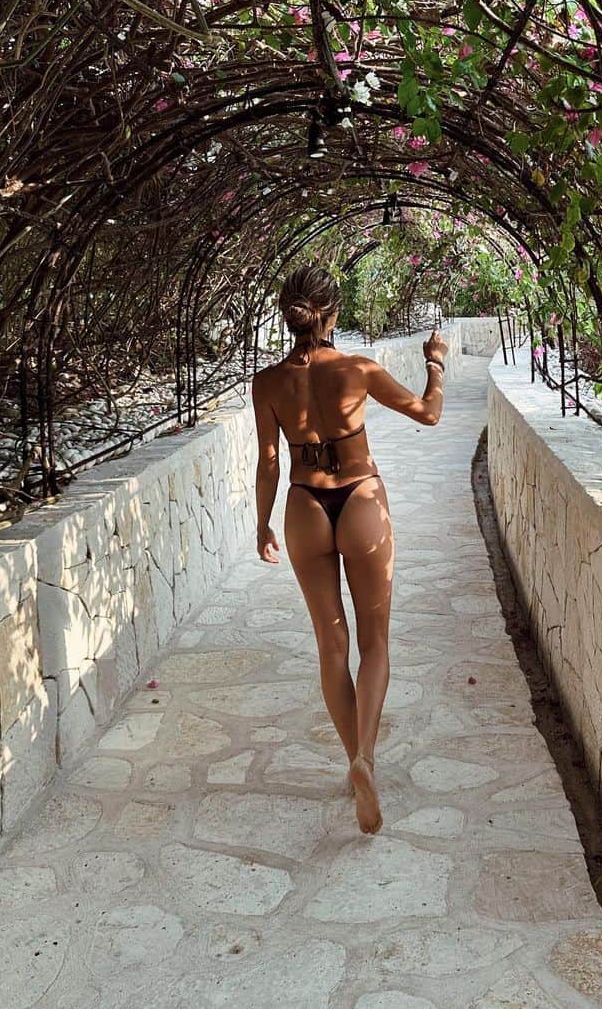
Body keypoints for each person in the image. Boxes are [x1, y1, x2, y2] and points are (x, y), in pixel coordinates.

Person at [250, 264, 448, 833]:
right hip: (361, 500)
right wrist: (435, 364)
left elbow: (269, 463)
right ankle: (365, 756)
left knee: (330, 646)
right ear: (333, 313)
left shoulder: (267, 383)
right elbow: (429, 414)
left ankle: (352, 761)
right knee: (374, 641)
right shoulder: (358, 369)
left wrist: (262, 524)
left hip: (304, 506)